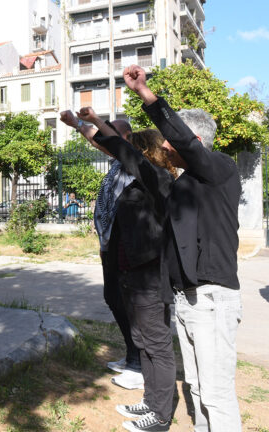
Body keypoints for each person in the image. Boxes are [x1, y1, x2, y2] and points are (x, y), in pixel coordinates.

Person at [121, 64, 243, 432]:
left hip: (212, 299)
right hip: (188, 299)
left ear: (194, 141)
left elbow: (185, 141)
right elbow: (135, 162)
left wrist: (145, 93)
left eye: (171, 138)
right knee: (199, 389)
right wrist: (89, 128)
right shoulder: (185, 184)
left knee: (216, 393)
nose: (166, 146)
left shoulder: (220, 169)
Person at [80, 109, 178, 432]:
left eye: (134, 149)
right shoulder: (141, 181)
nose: (124, 154)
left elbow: (123, 151)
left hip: (150, 275)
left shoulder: (158, 181)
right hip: (133, 274)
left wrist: (95, 121)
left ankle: (161, 416)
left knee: (157, 344)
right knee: (144, 339)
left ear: (145, 153)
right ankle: (151, 402)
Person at [60, 111, 143, 389]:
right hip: (110, 242)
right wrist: (75, 125)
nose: (104, 139)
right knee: (112, 297)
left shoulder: (134, 161)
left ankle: (139, 363)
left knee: (130, 302)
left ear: (128, 139)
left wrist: (91, 122)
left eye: (112, 132)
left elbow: (102, 140)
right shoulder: (116, 162)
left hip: (127, 244)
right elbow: (99, 141)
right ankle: (132, 353)